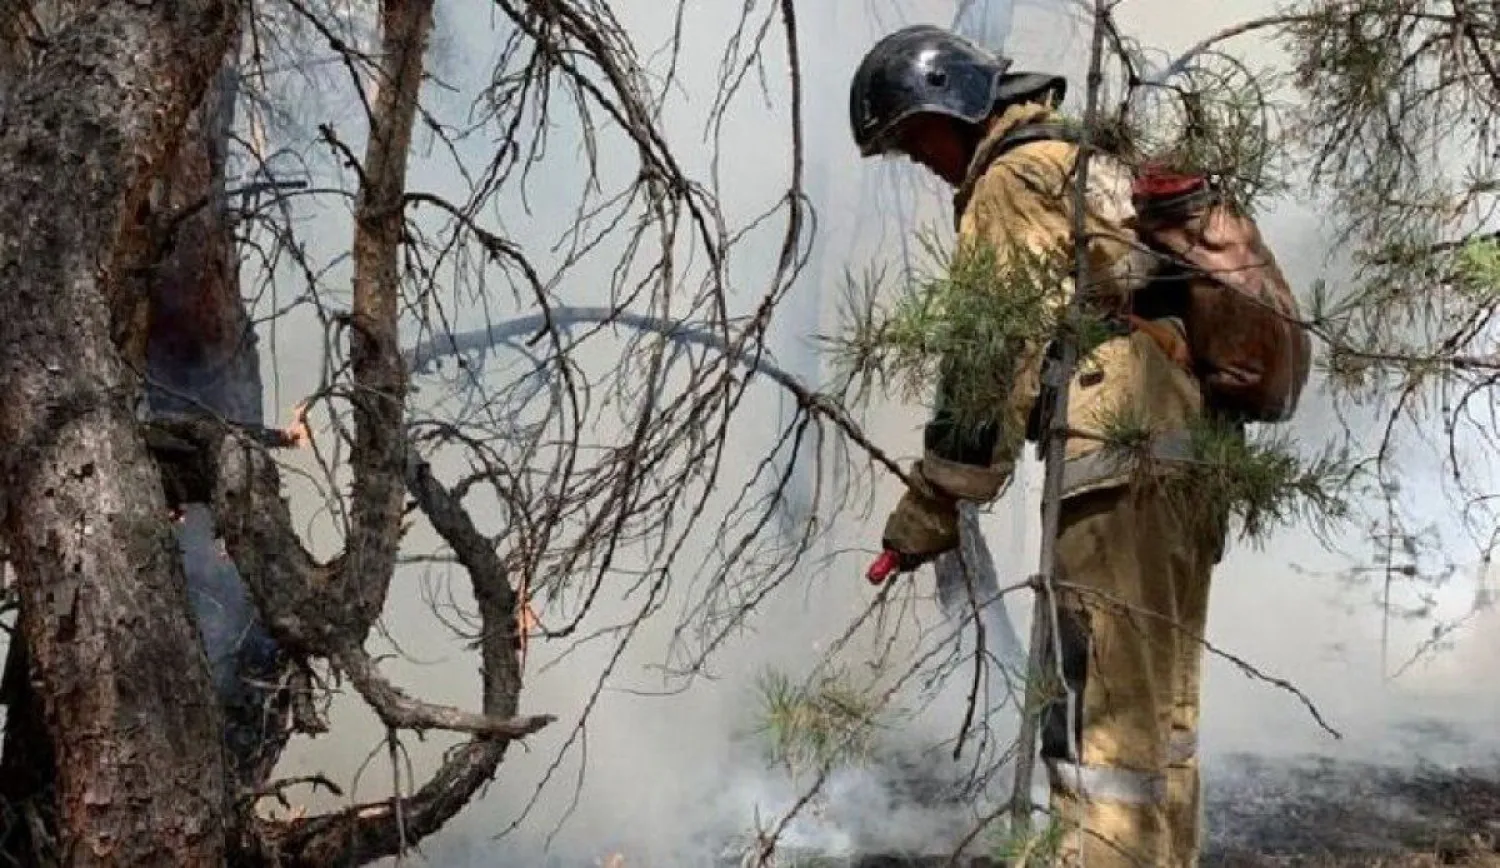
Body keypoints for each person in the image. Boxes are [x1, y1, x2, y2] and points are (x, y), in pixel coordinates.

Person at [849, 24, 1231, 867]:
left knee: (1097, 731)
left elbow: (989, 354)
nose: (923, 162)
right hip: (1185, 463)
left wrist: (929, 507)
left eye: (918, 140)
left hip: (1113, 471)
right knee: (1159, 729)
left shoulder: (1016, 175)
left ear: (955, 102)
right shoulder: (1083, 160)